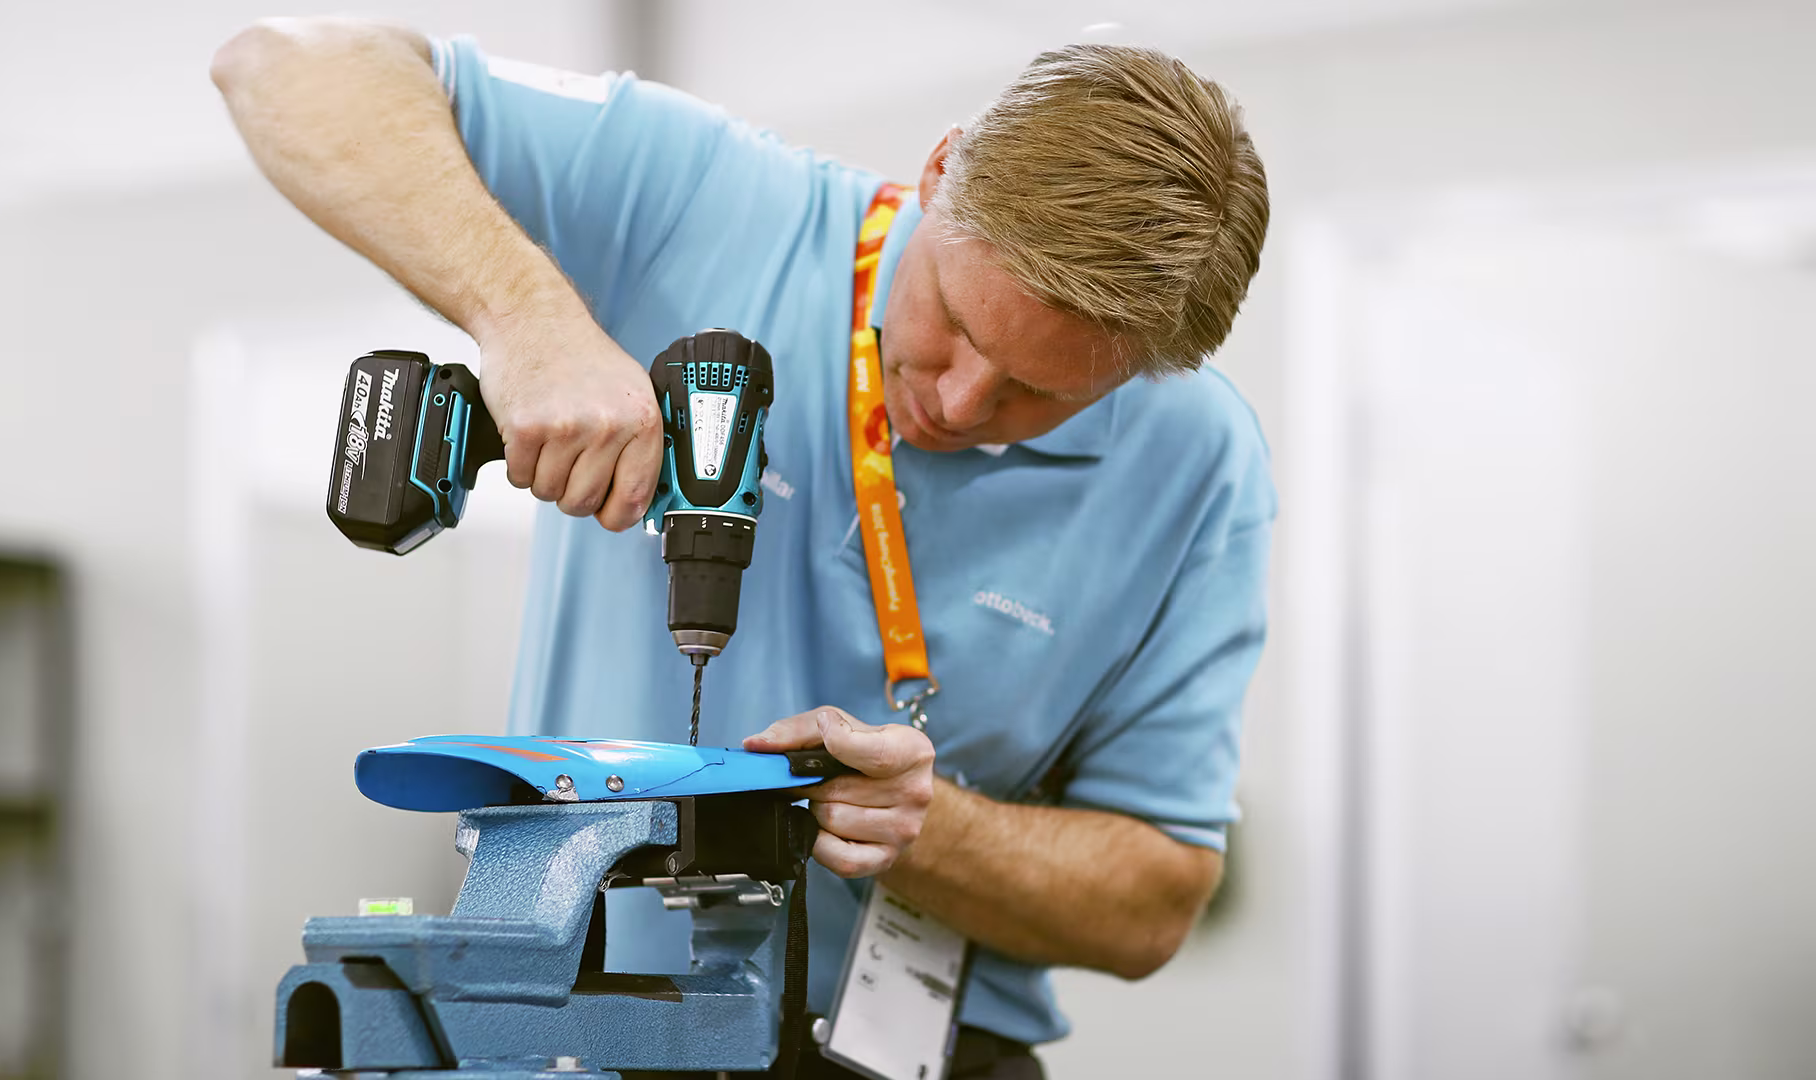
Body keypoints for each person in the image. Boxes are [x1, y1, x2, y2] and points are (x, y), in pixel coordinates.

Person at [214, 18, 1272, 1079]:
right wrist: (529, 322)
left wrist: (924, 827)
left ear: (1142, 369)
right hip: (564, 1022)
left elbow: (1152, 904)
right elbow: (282, 65)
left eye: (1040, 392)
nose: (958, 403)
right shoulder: (705, 200)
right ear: (942, 169)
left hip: (914, 1054)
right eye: (955, 318)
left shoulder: (1198, 463)